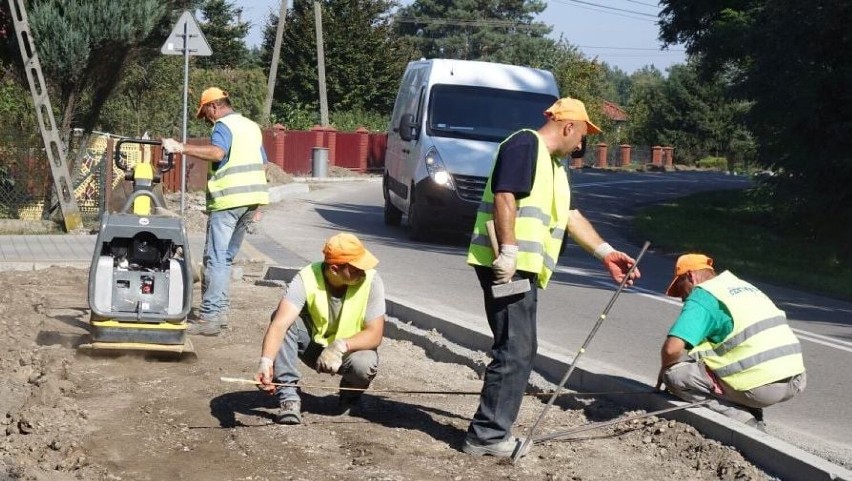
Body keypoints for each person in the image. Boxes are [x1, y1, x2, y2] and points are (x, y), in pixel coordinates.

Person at [464, 97, 641, 457]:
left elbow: (570, 216)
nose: (581, 147)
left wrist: (606, 253)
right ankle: (487, 436)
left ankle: (490, 432)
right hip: (506, 266)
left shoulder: (554, 167)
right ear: (567, 127)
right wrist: (509, 252)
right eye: (581, 138)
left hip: (520, 268)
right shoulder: (524, 143)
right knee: (514, 349)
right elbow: (504, 196)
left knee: (521, 347)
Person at [162, 87, 269, 336]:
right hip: (251, 200)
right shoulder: (251, 126)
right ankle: (220, 314)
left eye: (206, 114)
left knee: (215, 259)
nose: (208, 119)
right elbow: (264, 165)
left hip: (228, 201)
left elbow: (217, 153)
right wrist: (258, 205)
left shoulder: (223, 126)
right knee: (226, 259)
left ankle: (210, 317)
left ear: (214, 106)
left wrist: (180, 148)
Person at [656, 254, 806, 429]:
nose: (682, 297)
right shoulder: (742, 286)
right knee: (716, 364)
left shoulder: (703, 296)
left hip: (759, 389)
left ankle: (744, 421)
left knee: (675, 376)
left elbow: (671, 349)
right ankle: (748, 406)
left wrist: (664, 370)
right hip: (796, 380)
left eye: (680, 288)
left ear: (690, 276)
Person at [255, 233, 386, 425]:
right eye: (357, 268)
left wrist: (340, 346)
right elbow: (280, 324)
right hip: (312, 347)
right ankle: (288, 398)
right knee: (281, 317)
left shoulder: (371, 281)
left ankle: (349, 396)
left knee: (365, 364)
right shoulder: (306, 278)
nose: (364, 272)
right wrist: (265, 363)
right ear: (334, 269)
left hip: (348, 351)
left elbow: (375, 334)